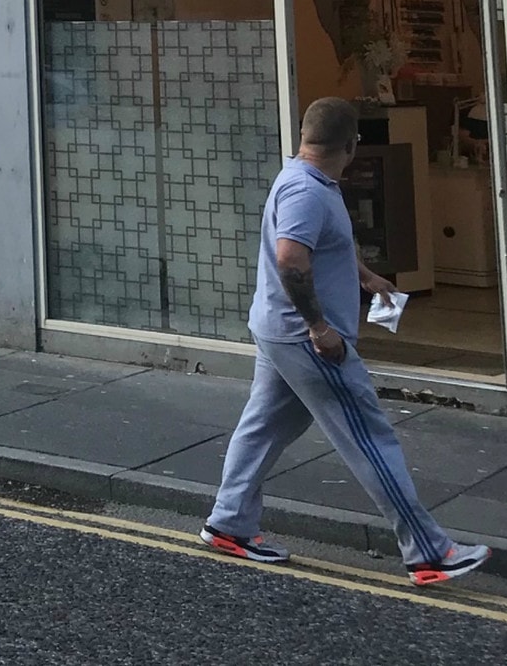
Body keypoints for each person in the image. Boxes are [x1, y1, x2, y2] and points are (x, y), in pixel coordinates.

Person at [203, 96, 490, 586]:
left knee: (263, 428)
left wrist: (363, 276)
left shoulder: (303, 177)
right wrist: (319, 328)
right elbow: (291, 259)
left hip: (278, 330)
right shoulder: (308, 192)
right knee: (370, 438)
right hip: (307, 340)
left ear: (305, 137)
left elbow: (315, 247)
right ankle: (429, 552)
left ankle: (229, 523)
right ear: (352, 145)